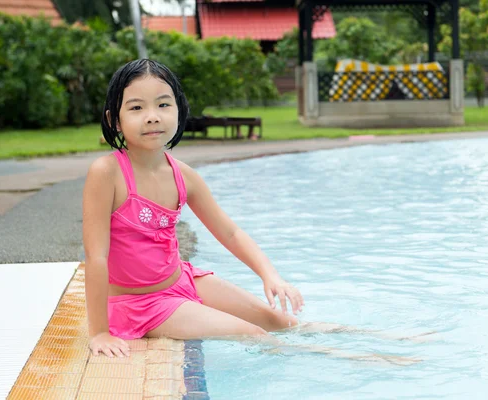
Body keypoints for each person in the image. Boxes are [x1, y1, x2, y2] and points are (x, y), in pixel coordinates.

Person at [83, 59, 428, 364]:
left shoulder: (182, 175)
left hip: (182, 281)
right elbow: (96, 257)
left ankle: (383, 339)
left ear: (179, 110)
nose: (153, 116)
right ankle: (359, 359)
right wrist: (99, 332)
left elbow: (230, 233)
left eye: (163, 104)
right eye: (137, 108)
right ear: (114, 120)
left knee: (279, 321)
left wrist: (270, 275)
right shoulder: (108, 173)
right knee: (253, 334)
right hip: (139, 305)